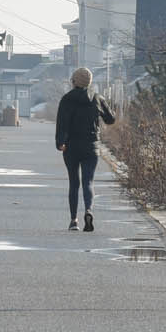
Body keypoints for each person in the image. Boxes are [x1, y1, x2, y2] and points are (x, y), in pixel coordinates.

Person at [54, 66, 115, 232]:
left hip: (71, 146)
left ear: (74, 81)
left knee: (74, 183)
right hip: (91, 146)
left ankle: (73, 221)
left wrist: (60, 142)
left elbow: (62, 123)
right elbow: (110, 119)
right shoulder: (97, 98)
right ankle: (88, 210)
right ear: (89, 82)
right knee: (88, 181)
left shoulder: (67, 99)